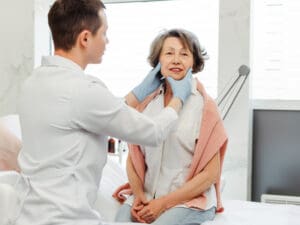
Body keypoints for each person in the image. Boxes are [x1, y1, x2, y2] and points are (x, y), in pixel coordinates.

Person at [14, 1, 193, 225]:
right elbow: (153, 133)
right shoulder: (83, 90)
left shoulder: (33, 83)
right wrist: (178, 99)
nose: (107, 41)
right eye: (104, 33)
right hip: (66, 219)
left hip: (28, 216)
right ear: (85, 38)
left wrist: (138, 93)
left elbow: (96, 114)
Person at [113, 29, 228, 225]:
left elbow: (211, 173)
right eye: (169, 53)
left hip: (187, 201)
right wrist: (140, 195)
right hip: (147, 195)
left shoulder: (205, 107)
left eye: (184, 54)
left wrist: (163, 203)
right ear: (158, 61)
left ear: (194, 61)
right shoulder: (145, 103)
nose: (176, 60)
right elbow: (133, 158)